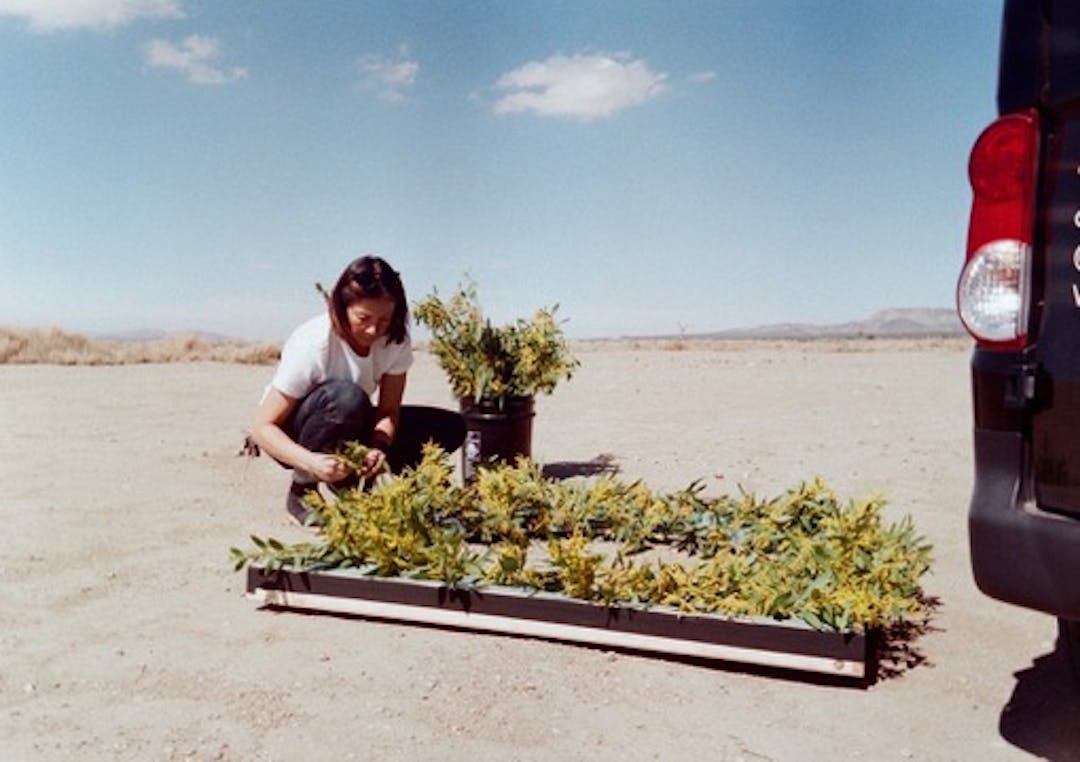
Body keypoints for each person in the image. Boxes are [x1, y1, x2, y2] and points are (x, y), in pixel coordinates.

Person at [249, 255, 466, 522]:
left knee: (450, 427)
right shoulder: (314, 342)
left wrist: (379, 446)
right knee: (347, 397)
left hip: (351, 420)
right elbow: (262, 427)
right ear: (341, 307)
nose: (374, 329)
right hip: (297, 434)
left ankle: (355, 482)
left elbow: (388, 411)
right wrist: (310, 463)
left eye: (385, 319)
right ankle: (303, 487)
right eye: (363, 318)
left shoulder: (395, 341)